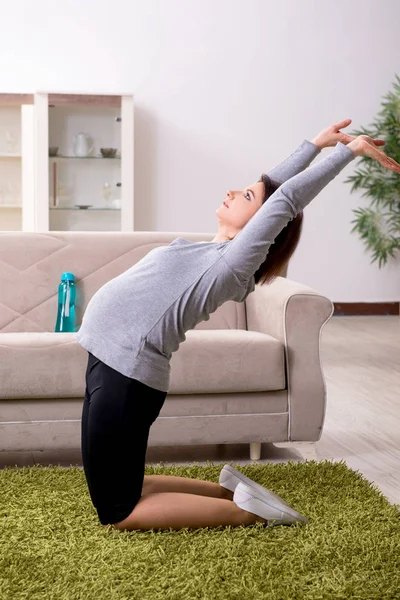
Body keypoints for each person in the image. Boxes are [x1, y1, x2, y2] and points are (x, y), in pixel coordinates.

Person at [75, 119, 400, 532]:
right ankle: (231, 492)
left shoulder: (231, 263)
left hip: (127, 376)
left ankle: (248, 513)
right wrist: (315, 144)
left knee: (117, 511)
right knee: (125, 485)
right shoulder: (210, 250)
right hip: (109, 363)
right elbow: (272, 187)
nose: (231, 192)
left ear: (262, 226)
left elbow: (283, 199)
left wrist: (346, 154)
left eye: (245, 196)